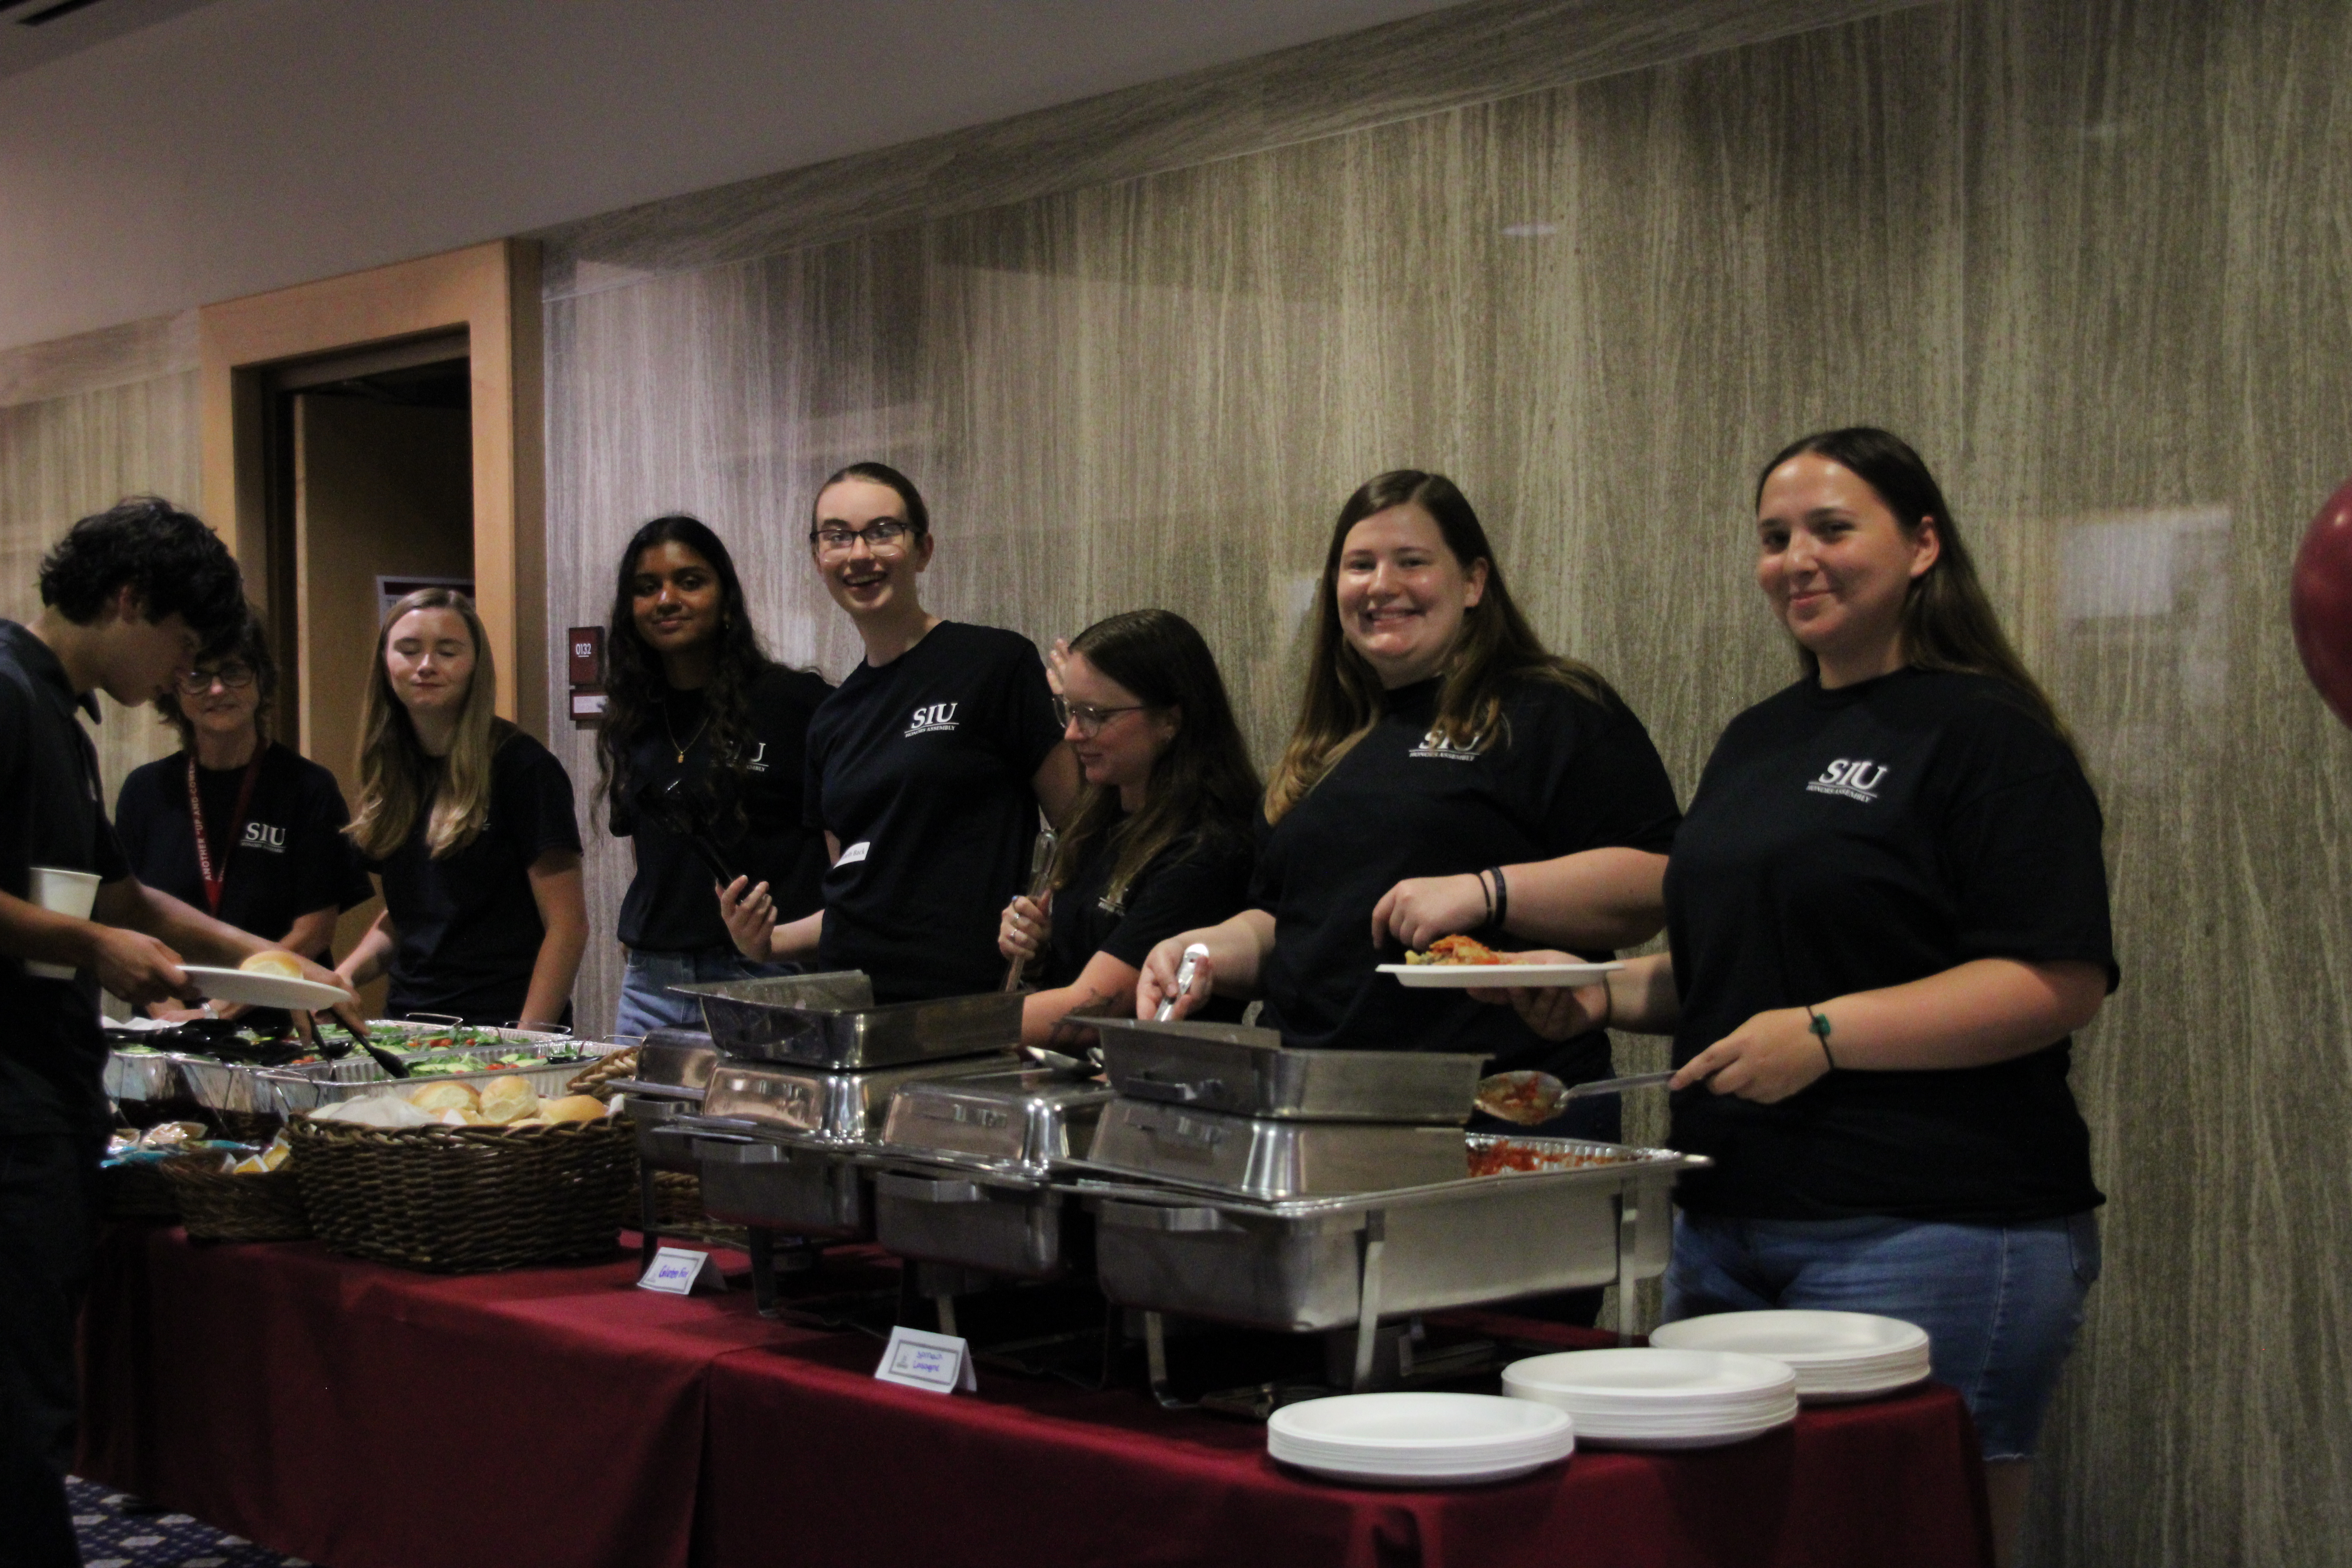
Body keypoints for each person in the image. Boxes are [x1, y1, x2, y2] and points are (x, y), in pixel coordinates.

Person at [1476, 428, 2113, 1567]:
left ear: (1920, 545)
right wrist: (1594, 995)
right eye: (1773, 538)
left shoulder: (1986, 734)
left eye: (1830, 528)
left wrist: (1823, 1036)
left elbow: (2051, 979)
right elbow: (1742, 970)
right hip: (1723, 1227)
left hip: (1933, 1225)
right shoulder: (1756, 736)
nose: (1794, 559)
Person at [0, 498, 359, 1568]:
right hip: (9, 1102)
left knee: (36, 1398)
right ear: (126, 601)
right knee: (18, 1409)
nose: (177, 679)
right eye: (181, 651)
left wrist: (276, 962)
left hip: (43, 1095)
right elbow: (100, 929)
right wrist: (88, 951)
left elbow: (132, 901)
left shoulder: (55, 716)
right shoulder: (9, 698)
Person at [1137, 469, 1682, 1147]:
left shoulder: (1551, 707)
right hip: (1313, 1112)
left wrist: (1489, 893)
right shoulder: (1327, 743)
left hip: (1495, 1118)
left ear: (1475, 582)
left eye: (1412, 562)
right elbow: (1295, 923)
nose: (1381, 585)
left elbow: (1660, 881)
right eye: (1359, 565)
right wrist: (1204, 949)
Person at [721, 462, 1080, 1001]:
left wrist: (1047, 922)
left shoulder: (994, 664)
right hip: (856, 1005)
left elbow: (1082, 829)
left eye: (883, 531)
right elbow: (856, 895)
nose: (859, 554)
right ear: (818, 558)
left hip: (968, 1002)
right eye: (837, 536)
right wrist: (765, 944)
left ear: (923, 550)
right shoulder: (831, 719)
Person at [598, 515, 833, 1036]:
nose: (666, 599)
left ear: (727, 601)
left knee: (755, 1122)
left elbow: (847, 859)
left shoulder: (797, 704)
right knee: (637, 1120)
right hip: (651, 986)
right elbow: (650, 842)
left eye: (689, 581)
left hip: (767, 979)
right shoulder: (633, 715)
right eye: (646, 588)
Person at [995, 610, 1259, 1044]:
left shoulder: (1208, 847)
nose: (1073, 734)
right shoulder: (1098, 820)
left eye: (1095, 715)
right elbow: (1077, 964)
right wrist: (1040, 951)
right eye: (1070, 711)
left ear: (1170, 721)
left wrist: (940, 1031)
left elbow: (1088, 1010)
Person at [113, 610, 374, 1034]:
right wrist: (173, 1017)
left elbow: (314, 932)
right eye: (198, 675)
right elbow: (129, 918)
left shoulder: (308, 787)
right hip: (168, 1027)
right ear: (173, 688)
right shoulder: (145, 791)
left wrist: (219, 1011)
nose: (217, 689)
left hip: (282, 1025)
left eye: (234, 671)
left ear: (260, 679)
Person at [336, 588, 587, 1028]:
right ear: (385, 664)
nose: (426, 665)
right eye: (409, 650)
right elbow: (415, 913)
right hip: (408, 1025)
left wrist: (527, 1044)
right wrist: (346, 975)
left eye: (447, 651)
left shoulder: (524, 768)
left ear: (476, 666)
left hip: (501, 1028)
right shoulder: (393, 771)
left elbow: (568, 928)